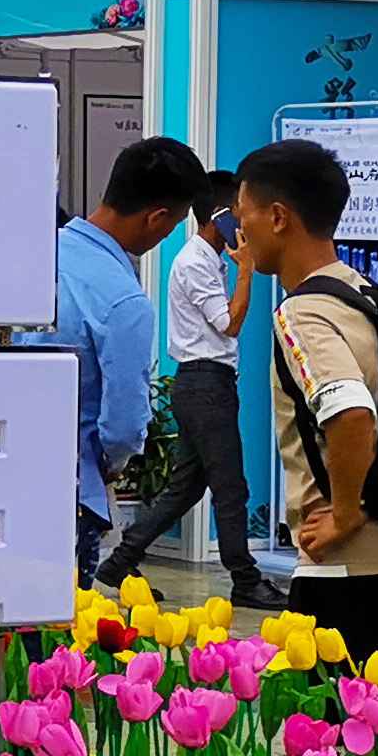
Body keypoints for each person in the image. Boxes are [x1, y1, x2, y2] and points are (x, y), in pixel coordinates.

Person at [234, 136, 378, 667]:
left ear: (277, 217)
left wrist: (346, 513)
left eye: (244, 213)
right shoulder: (367, 295)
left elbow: (350, 413)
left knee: (331, 718)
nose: (241, 230)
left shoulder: (302, 313)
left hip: (346, 567)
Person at [94, 172, 277, 607]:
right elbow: (229, 323)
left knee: (186, 489)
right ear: (221, 216)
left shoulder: (209, 259)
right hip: (205, 384)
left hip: (207, 383)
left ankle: (120, 561)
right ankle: (245, 579)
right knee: (230, 486)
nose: (246, 223)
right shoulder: (195, 263)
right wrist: (247, 272)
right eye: (240, 213)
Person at [56, 136, 206, 585]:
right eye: (174, 223)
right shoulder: (123, 301)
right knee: (58, 617)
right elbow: (123, 425)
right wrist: (112, 461)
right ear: (156, 217)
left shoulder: (31, 259)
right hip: (69, 488)